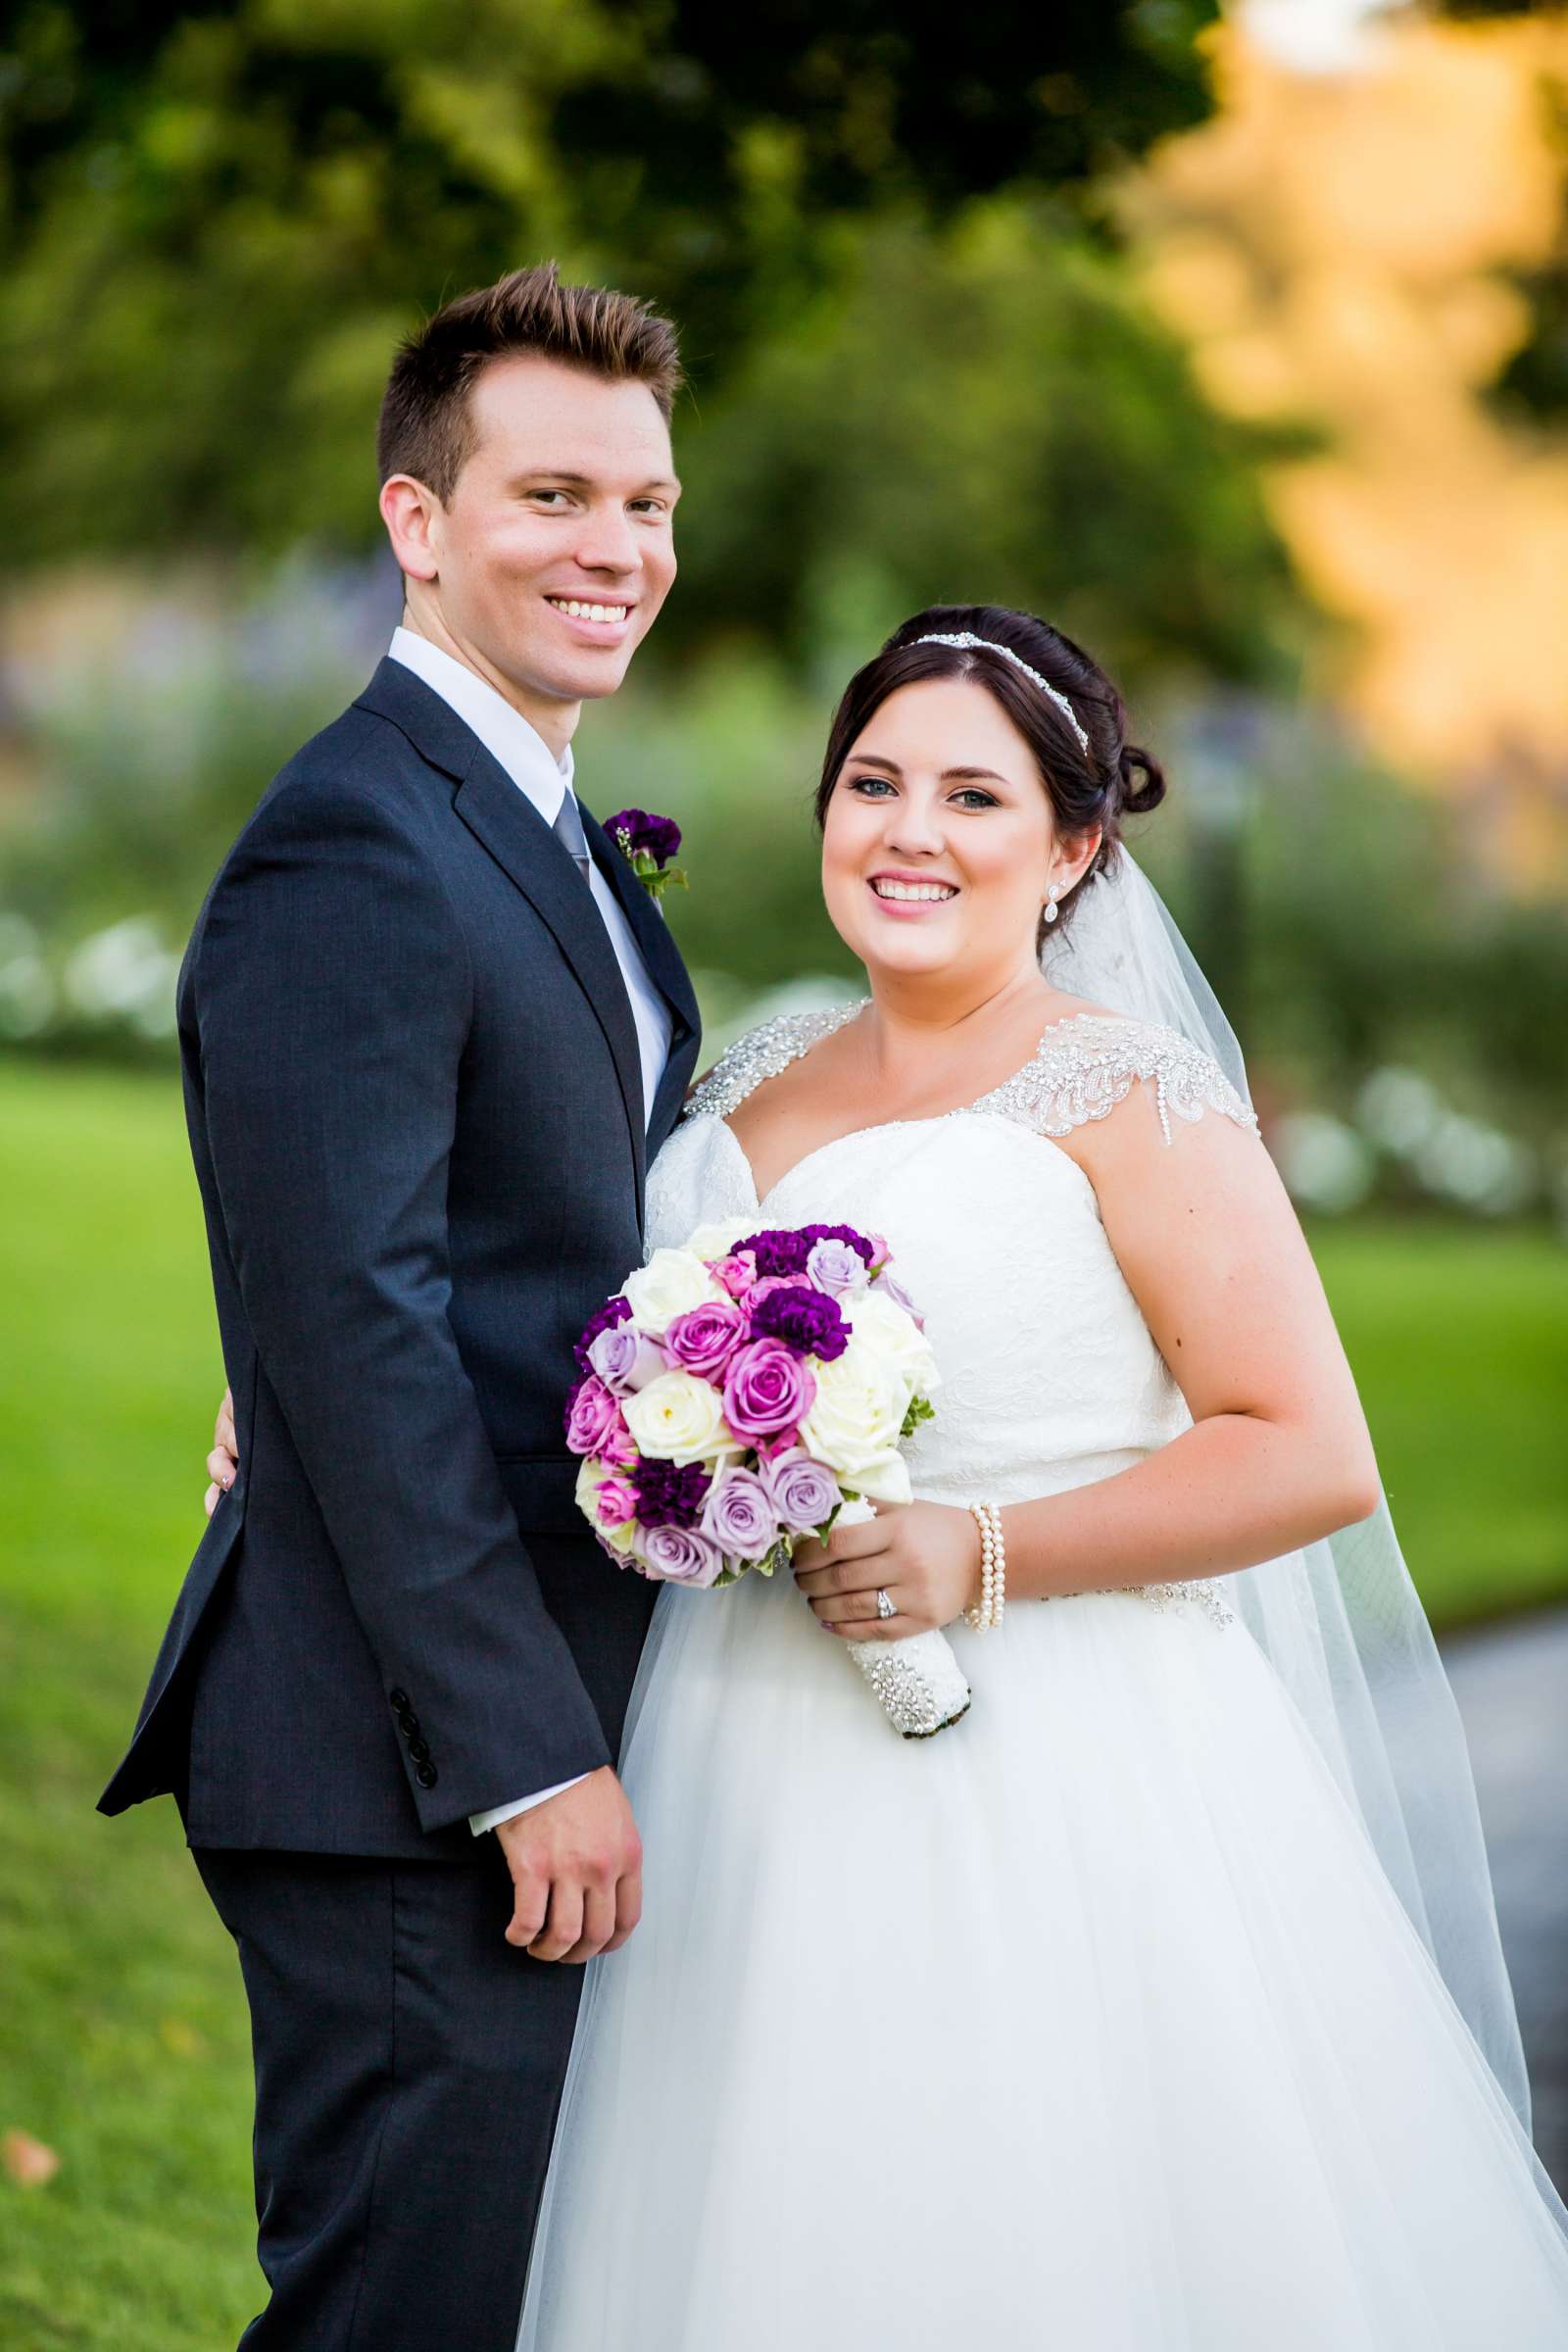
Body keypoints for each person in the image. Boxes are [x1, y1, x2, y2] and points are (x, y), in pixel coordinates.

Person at [505, 609, 1568, 2346]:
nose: (909, 832)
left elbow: (1308, 1452)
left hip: (1055, 1767)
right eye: (873, 783)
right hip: (729, 1757)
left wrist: (976, 1551)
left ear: (1074, 845)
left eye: (974, 798)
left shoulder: (1132, 1098)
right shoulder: (748, 1072)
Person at [98, 263, 702, 2350]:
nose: (614, 549)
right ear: (415, 520)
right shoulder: (354, 844)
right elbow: (358, 1321)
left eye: (644, 501)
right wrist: (524, 1758)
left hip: (488, 1720)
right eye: (552, 493)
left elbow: (509, 1259)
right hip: (405, 1766)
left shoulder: (539, 826)